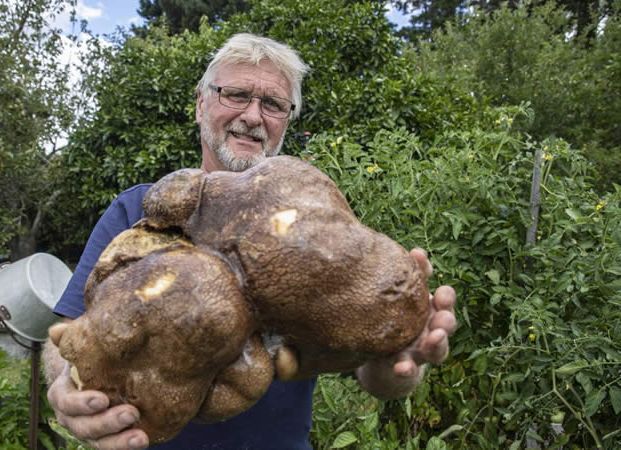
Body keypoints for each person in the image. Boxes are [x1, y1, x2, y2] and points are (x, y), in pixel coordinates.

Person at [44, 33, 457, 450]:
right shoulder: (135, 211)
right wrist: (69, 381)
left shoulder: (317, 227)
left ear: (287, 120)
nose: (253, 116)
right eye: (236, 94)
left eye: (273, 104)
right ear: (201, 103)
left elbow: (372, 373)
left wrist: (398, 355)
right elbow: (65, 334)